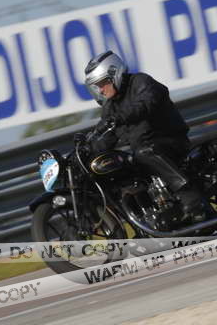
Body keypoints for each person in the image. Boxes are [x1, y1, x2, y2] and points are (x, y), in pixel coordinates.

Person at [83, 50, 206, 222]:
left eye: (102, 83)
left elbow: (145, 104)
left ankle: (189, 195)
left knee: (144, 152)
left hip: (169, 140)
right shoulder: (110, 107)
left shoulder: (141, 82)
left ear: (114, 74)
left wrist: (119, 118)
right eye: (97, 86)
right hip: (144, 147)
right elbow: (107, 137)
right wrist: (86, 149)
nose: (101, 90)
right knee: (121, 167)